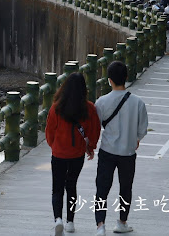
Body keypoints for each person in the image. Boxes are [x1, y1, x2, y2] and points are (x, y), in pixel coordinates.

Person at [93, 61, 148, 236]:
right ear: (126, 77)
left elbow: (96, 126)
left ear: (109, 80)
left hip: (107, 152)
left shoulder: (101, 102)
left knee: (102, 189)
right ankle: (122, 222)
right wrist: (135, 139)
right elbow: (142, 130)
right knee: (125, 188)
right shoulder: (138, 102)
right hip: (128, 153)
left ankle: (100, 225)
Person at [46, 73, 101, 236]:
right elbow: (95, 130)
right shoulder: (89, 108)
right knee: (71, 185)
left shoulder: (56, 107)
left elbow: (49, 131)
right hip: (77, 154)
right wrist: (90, 146)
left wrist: (54, 146)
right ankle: (70, 222)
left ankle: (58, 220)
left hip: (58, 154)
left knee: (57, 188)